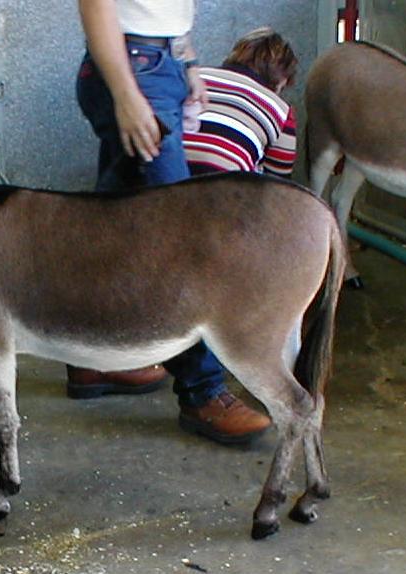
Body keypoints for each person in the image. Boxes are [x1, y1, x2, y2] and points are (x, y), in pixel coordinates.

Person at [70, 0, 271, 446]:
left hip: (157, 66)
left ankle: (91, 357)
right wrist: (126, 94)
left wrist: (186, 62)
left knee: (110, 228)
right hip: (134, 71)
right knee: (183, 240)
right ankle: (203, 391)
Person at [183, 27, 298, 178]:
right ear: (283, 78)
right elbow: (278, 184)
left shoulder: (196, 77)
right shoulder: (281, 110)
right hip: (227, 191)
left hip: (166, 179)